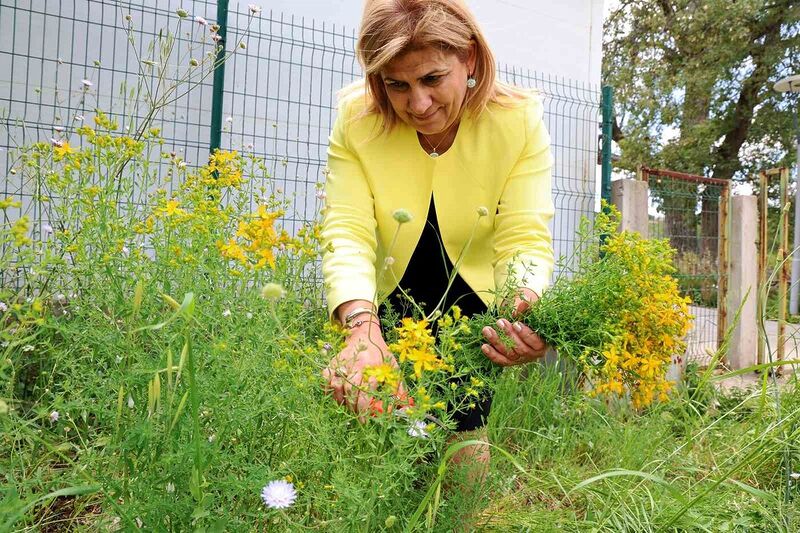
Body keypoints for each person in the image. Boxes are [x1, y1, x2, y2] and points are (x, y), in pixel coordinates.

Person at [321, 0, 554, 467]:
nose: (418, 104)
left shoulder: (516, 121)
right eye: (396, 85)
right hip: (384, 290)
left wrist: (521, 310)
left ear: (468, 57)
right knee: (374, 434)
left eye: (431, 78)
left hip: (474, 292)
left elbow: (525, 237)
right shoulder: (356, 118)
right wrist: (361, 329)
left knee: (463, 432)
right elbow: (346, 229)